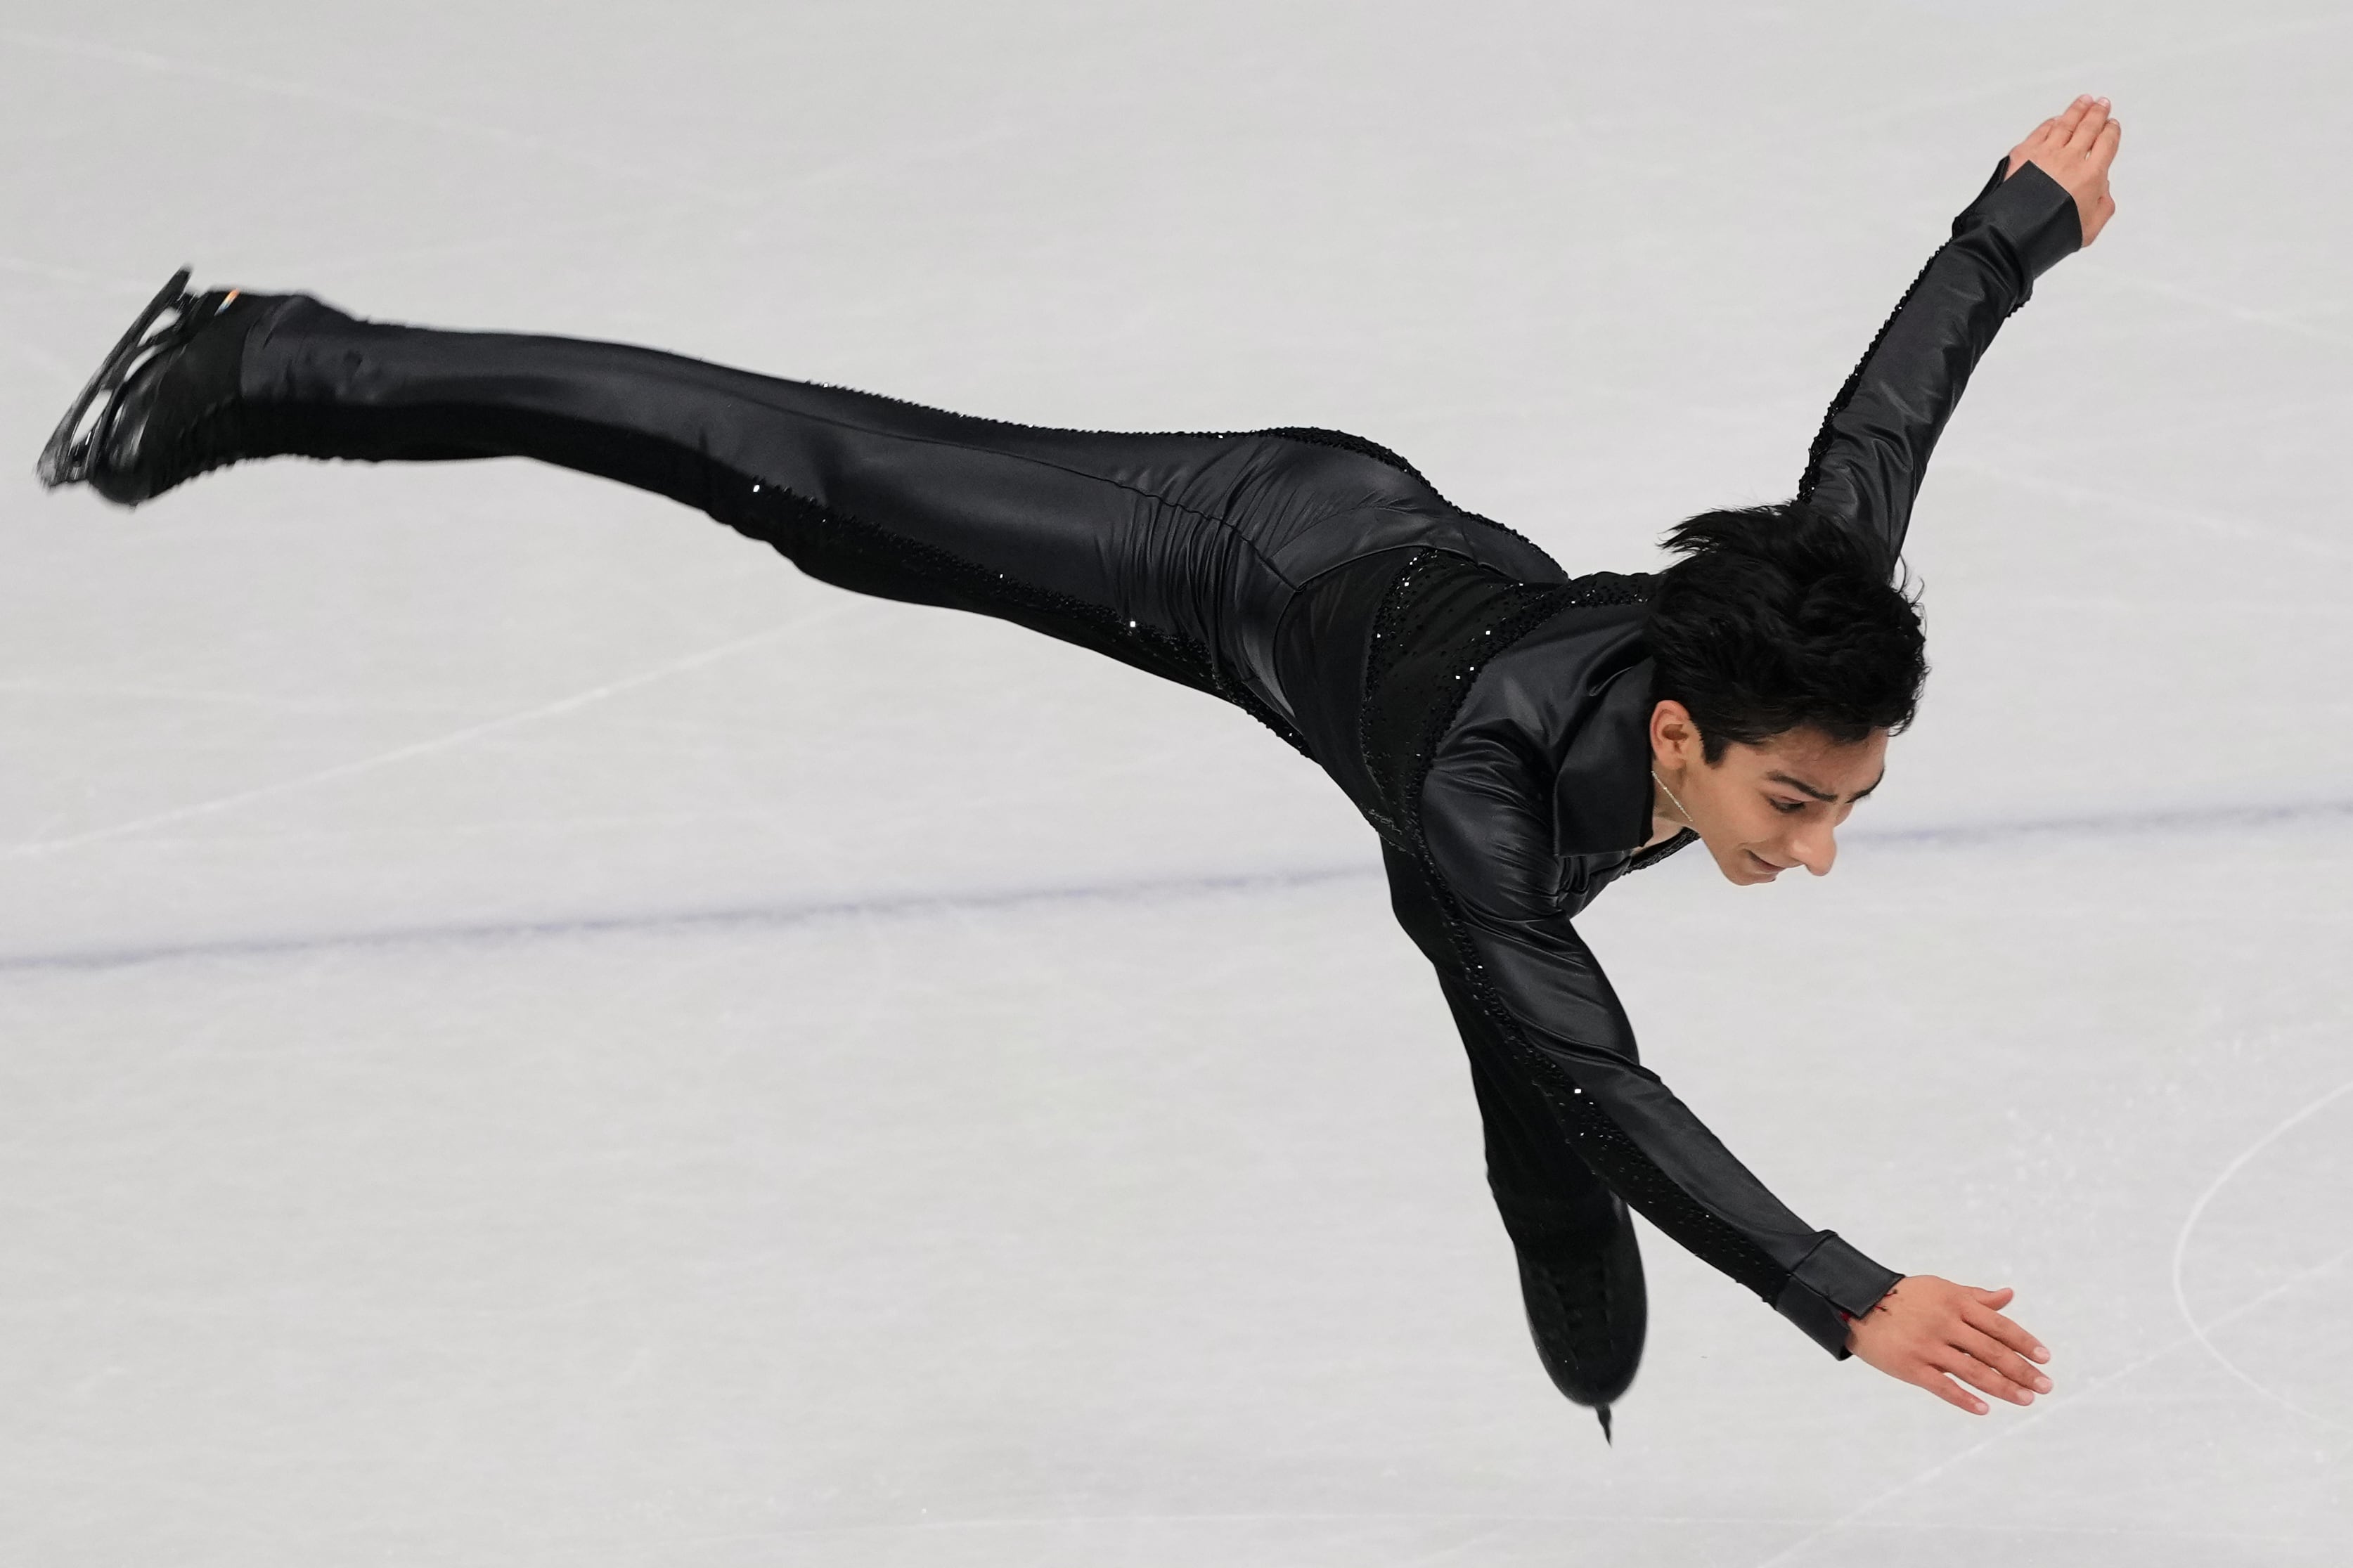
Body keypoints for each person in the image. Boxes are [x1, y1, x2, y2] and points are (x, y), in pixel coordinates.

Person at [37, 94, 2122, 1440]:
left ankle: (1569, 1299)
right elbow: (1610, 1074)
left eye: (1850, 806)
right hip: (1239, 555)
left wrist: (2009, 231)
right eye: (1794, 807)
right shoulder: (1487, 805)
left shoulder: (1783, 633)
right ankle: (277, 355)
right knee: (805, 469)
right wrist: (1839, 1292)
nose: (1823, 851)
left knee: (1530, 1071)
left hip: (1421, 609)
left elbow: (1881, 428)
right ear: (1681, 735)